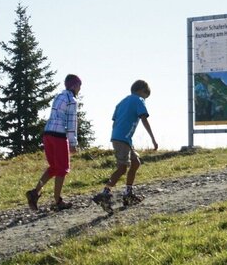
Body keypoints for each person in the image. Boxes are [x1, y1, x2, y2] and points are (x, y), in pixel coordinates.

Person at [92, 79, 158, 212]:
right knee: (122, 168)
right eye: (146, 96)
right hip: (123, 139)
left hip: (121, 138)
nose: (145, 99)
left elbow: (114, 121)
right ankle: (105, 193)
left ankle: (128, 193)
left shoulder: (121, 102)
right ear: (141, 91)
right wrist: (153, 139)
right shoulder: (138, 100)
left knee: (136, 163)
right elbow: (144, 119)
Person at [25, 74, 81, 211]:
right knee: (62, 168)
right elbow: (71, 122)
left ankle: (35, 192)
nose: (80, 89)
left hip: (48, 133)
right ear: (74, 86)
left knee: (54, 167)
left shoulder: (59, 96)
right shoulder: (72, 100)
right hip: (59, 135)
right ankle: (57, 200)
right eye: (79, 86)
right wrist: (73, 143)